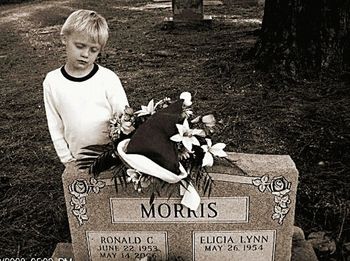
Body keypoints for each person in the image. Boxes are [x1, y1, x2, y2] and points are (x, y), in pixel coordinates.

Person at [43, 9, 129, 165]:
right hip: (77, 160)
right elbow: (55, 124)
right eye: (80, 46)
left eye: (93, 50)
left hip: (113, 159)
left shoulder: (108, 78)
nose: (85, 54)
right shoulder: (52, 81)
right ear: (64, 39)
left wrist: (123, 151)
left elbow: (124, 117)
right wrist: (67, 159)